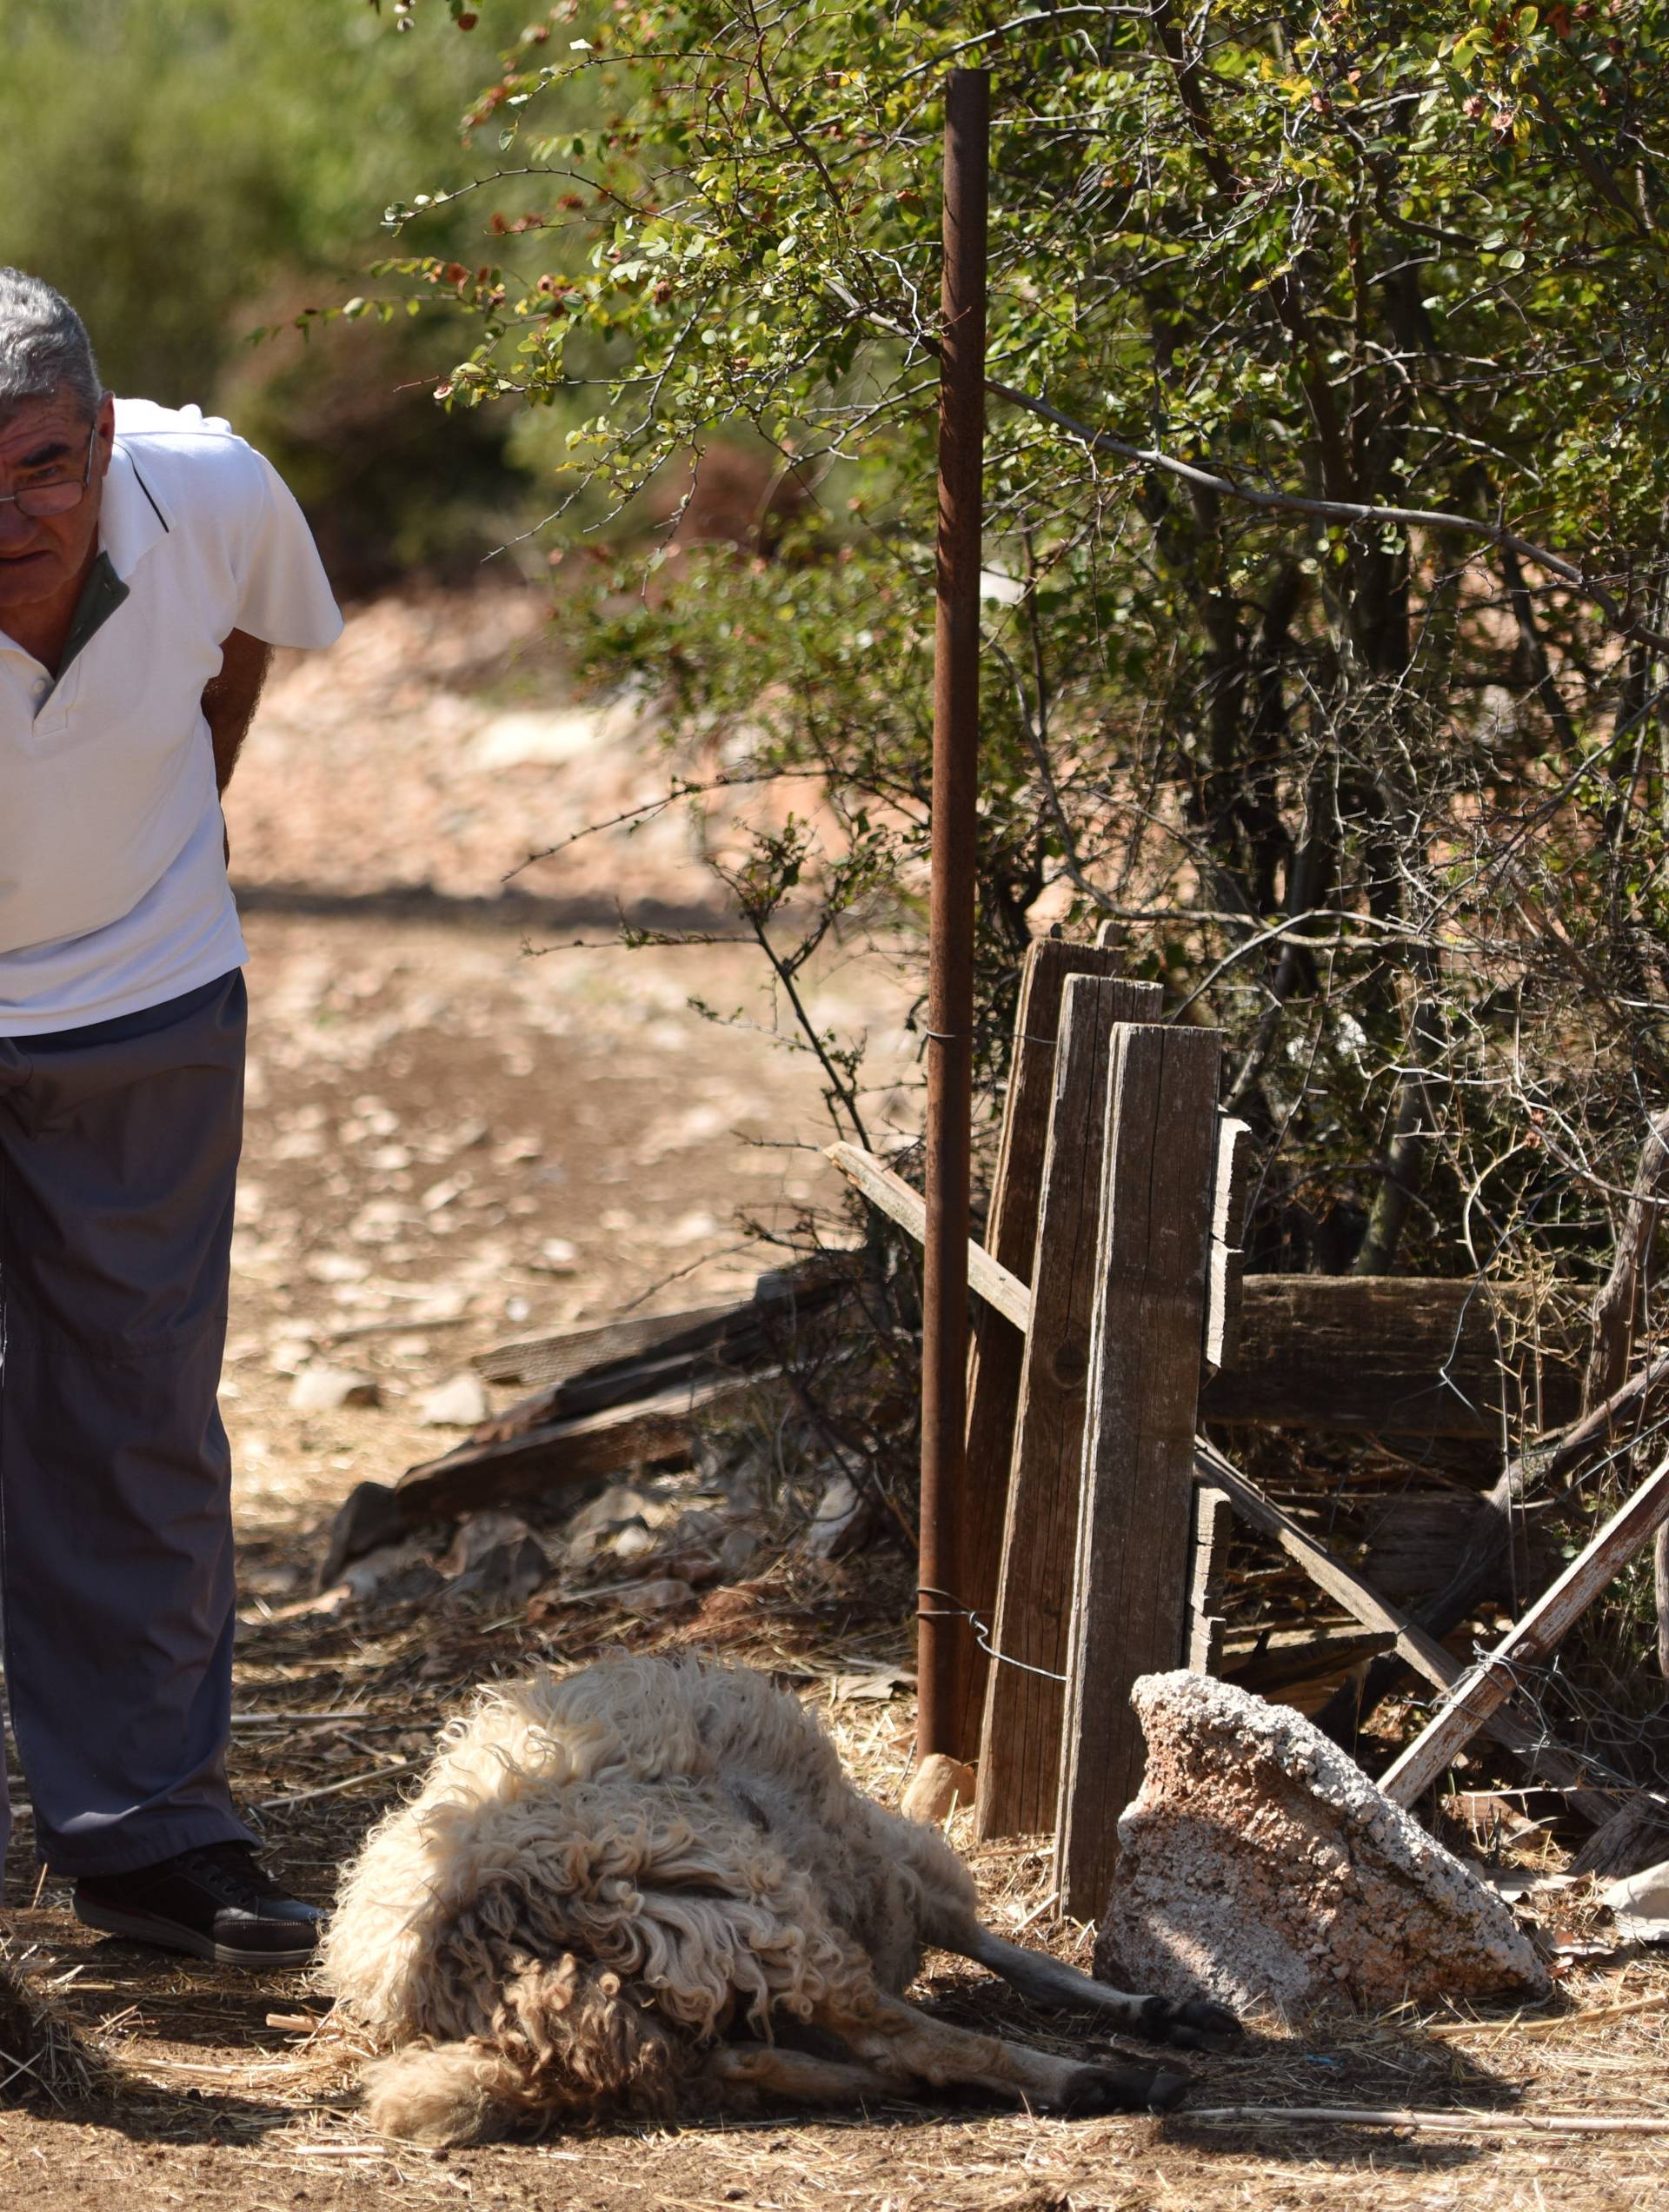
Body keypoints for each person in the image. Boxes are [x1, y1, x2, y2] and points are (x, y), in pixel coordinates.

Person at [0, 269, 342, 1967]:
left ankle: (148, 1837)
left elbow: (245, 639)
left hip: (143, 1003)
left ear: (105, 438)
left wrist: (168, 820)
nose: (13, 512)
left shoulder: (205, 489)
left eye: (41, 465)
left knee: (131, 1413)